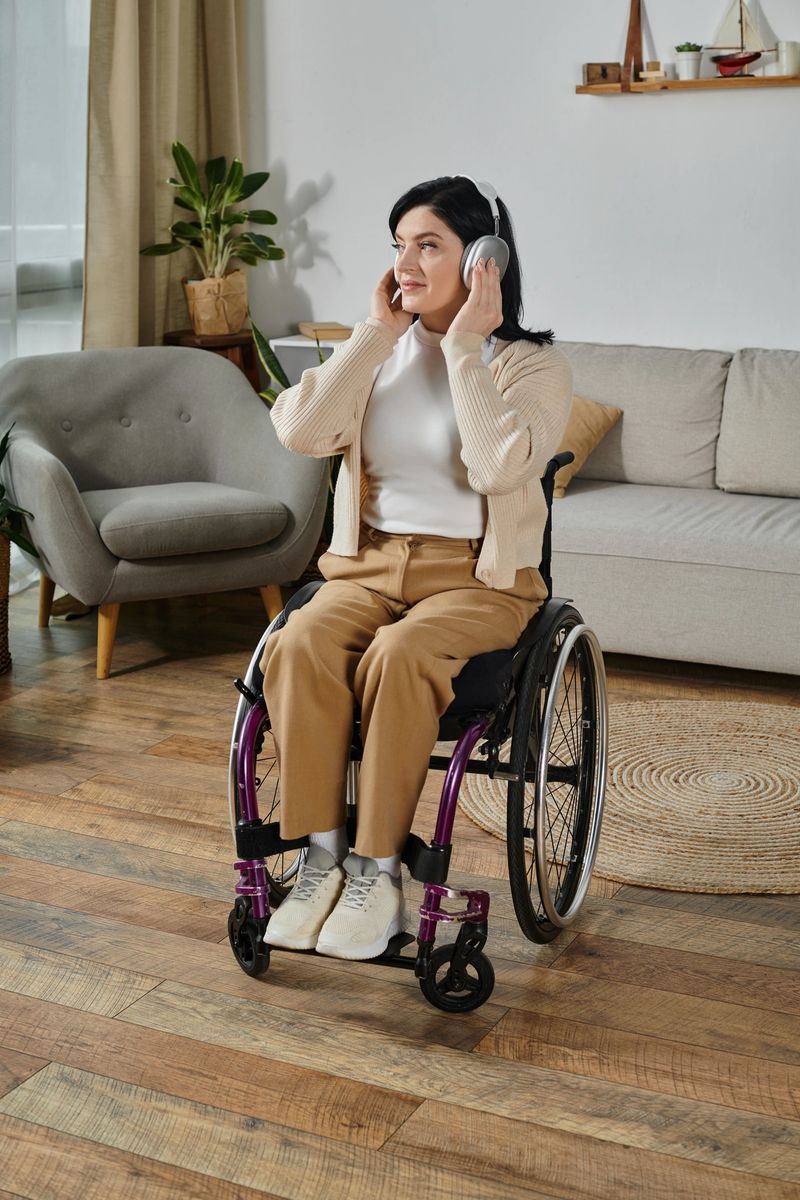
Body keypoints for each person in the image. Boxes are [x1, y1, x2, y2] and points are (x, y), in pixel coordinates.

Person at [261, 175, 572, 960]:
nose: (405, 261)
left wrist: (465, 347)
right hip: (365, 568)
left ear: (483, 260)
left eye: (427, 244)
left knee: (401, 657)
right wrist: (371, 336)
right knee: (294, 642)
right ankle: (322, 857)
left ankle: (378, 871)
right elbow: (300, 433)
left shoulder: (528, 366)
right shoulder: (379, 352)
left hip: (474, 580)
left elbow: (501, 466)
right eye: (398, 244)